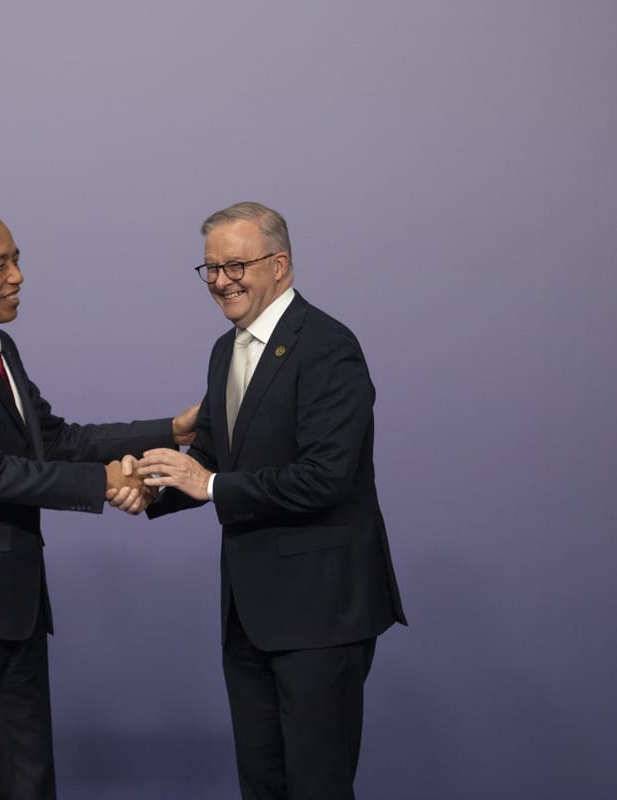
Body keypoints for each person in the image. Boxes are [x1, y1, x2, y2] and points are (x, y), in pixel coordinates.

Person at [0, 206, 195, 800]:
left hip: (16, 603)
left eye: (18, 259)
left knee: (29, 777)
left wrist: (173, 428)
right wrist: (103, 484)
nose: (18, 276)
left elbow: (56, 440)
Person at [135, 202, 407, 800]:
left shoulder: (329, 346)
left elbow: (325, 478)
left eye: (235, 265)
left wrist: (204, 484)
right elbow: (209, 459)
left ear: (278, 265)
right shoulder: (222, 351)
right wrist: (147, 484)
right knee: (262, 785)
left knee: (316, 786)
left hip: (320, 614)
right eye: (209, 269)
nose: (220, 281)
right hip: (249, 617)